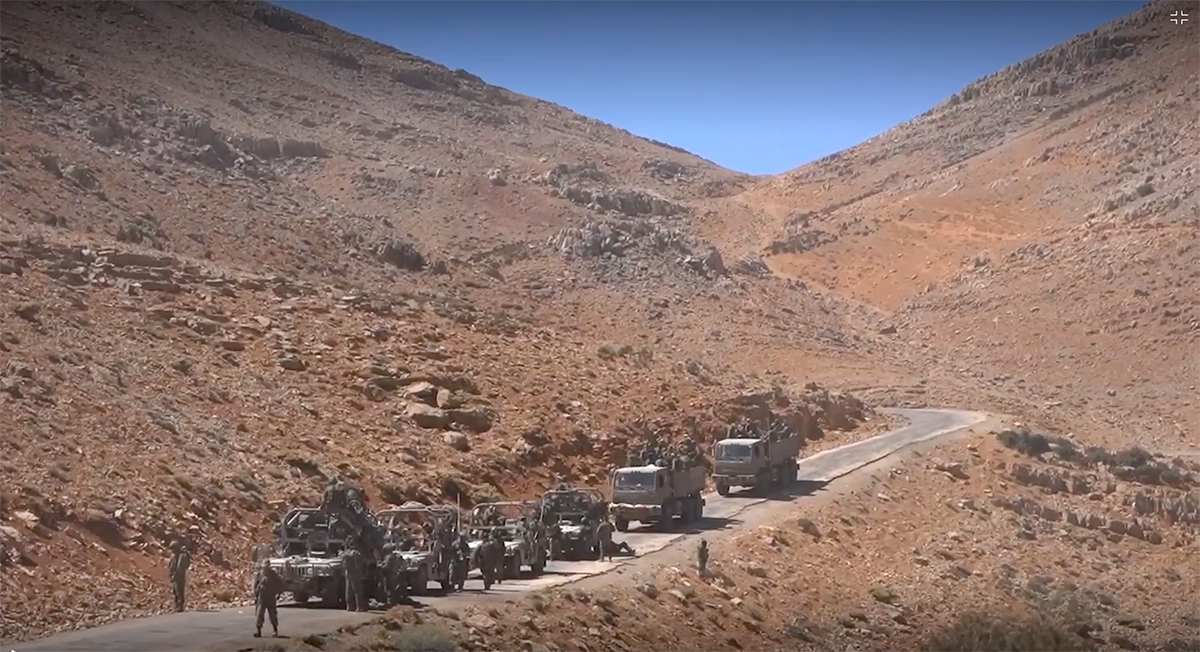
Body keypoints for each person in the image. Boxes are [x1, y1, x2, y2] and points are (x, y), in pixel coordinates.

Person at [254, 563, 282, 638]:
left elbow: (279, 584)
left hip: (270, 597)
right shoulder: (260, 574)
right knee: (259, 614)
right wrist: (255, 596)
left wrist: (278, 593)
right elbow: (256, 585)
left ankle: (275, 630)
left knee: (273, 614)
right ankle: (258, 631)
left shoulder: (273, 575)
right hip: (262, 597)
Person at [341, 538, 366, 612]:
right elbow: (360, 564)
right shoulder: (356, 553)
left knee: (348, 591)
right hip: (355, 573)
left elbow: (342, 562)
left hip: (347, 573)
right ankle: (359, 607)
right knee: (357, 591)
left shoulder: (346, 553)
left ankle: (349, 606)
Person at [167, 540, 191, 613]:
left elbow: (180, 567)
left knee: (179, 590)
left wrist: (176, 574)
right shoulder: (175, 556)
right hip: (175, 575)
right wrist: (171, 573)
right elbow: (171, 565)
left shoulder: (182, 556)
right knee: (175, 590)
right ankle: (177, 605)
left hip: (179, 576)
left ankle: (180, 606)